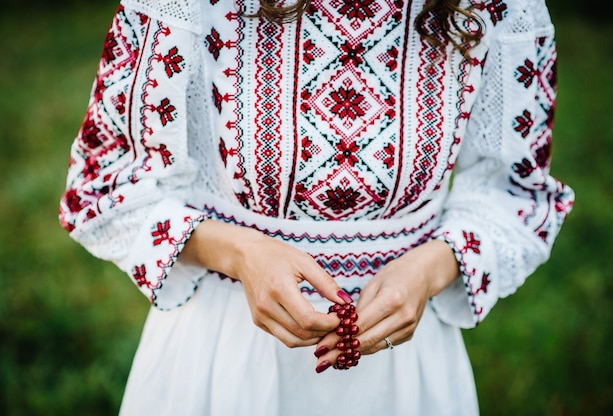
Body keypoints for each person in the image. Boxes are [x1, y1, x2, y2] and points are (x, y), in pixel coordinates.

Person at [59, 0, 574, 414]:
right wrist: (241, 253)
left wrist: (430, 267)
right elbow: (104, 182)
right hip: (225, 358)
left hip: (406, 371)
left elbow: (516, 192)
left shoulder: (495, 8)